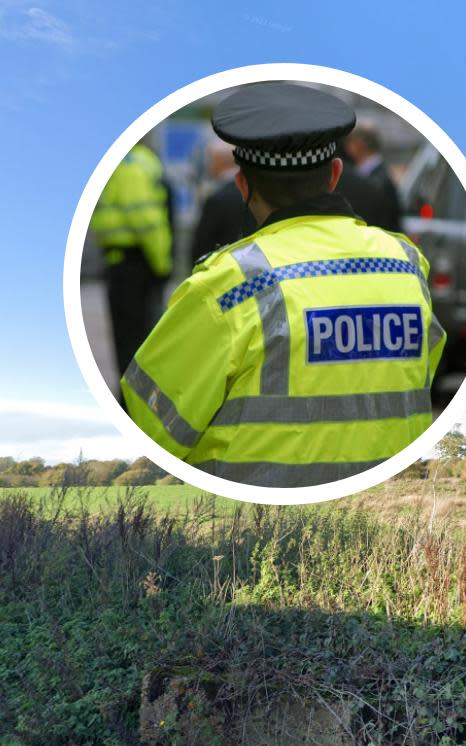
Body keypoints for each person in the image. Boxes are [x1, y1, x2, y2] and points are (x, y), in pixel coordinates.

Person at [120, 83, 445, 488]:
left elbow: (148, 428)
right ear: (336, 176)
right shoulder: (406, 265)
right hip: (394, 508)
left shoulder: (226, 288)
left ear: (242, 185)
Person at [90, 138, 173, 376]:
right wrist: (162, 264)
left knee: (131, 340)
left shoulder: (129, 167)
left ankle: (132, 401)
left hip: (133, 263)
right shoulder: (136, 162)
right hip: (136, 263)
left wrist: (160, 264)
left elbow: (145, 220)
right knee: (136, 338)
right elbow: (148, 221)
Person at [189, 138, 255, 265]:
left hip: (220, 268)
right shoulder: (254, 192)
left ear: (219, 161)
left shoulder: (216, 198)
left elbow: (202, 245)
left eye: (210, 160)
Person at [344, 123, 400, 230]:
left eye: (350, 141)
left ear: (359, 144)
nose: (347, 146)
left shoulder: (378, 180)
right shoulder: (376, 174)